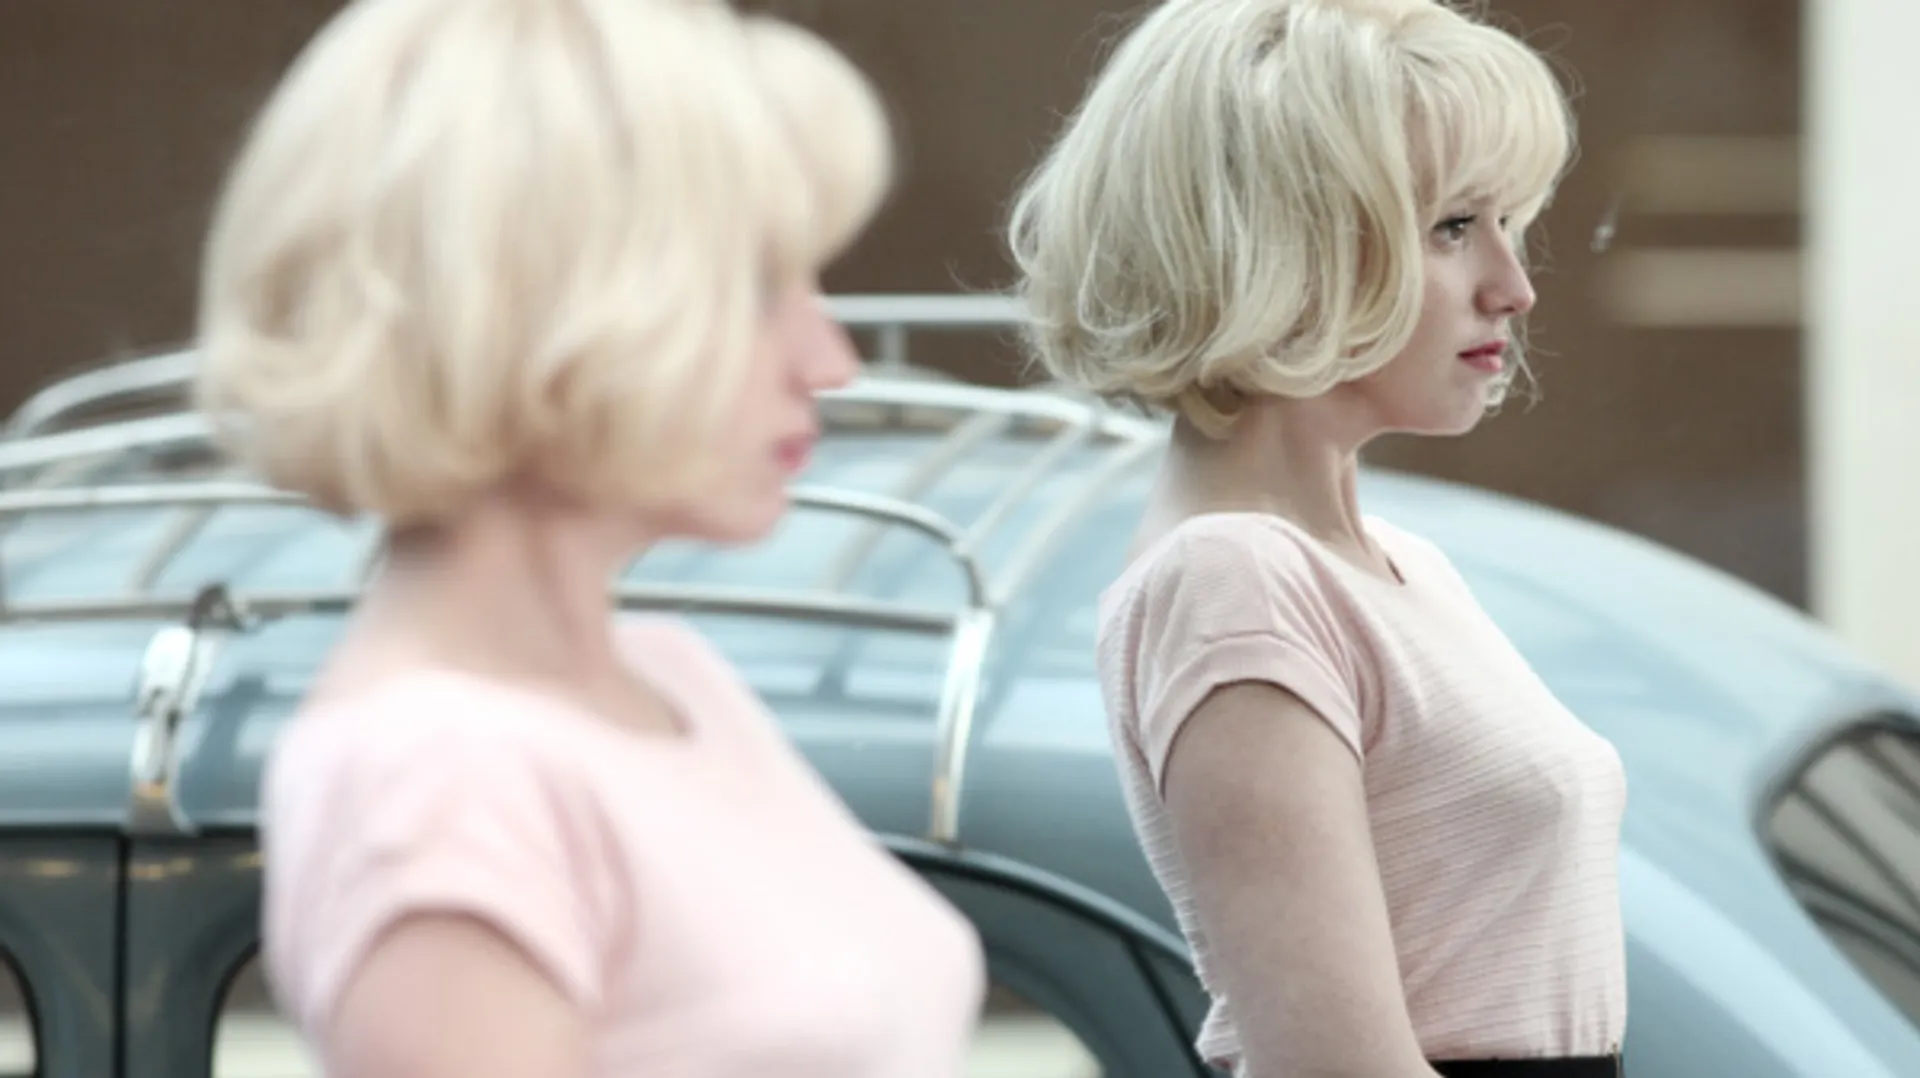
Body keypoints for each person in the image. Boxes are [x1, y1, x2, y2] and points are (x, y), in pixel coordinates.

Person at [193, 0, 985, 1074]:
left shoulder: (672, 677)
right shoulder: (437, 778)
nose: (829, 360)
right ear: (536, 304)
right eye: (755, 290)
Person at [1005, 1, 1627, 1076]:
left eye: (1509, 222)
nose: (1514, 288)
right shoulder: (1232, 580)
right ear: (1284, 247)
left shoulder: (1395, 564)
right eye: (1453, 226)